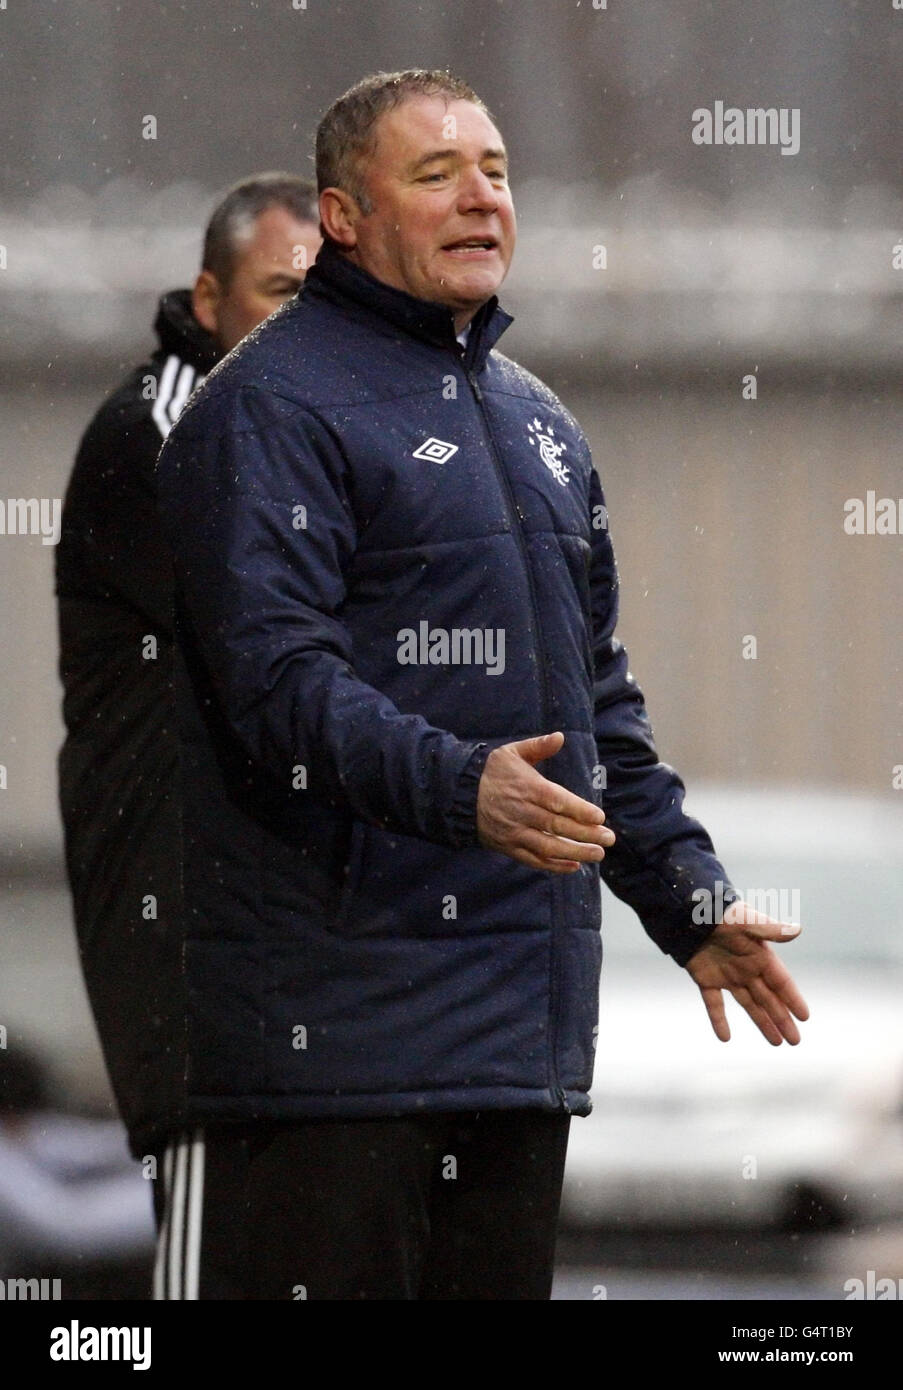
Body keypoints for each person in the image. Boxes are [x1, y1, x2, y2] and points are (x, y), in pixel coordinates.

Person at [153, 71, 809, 1301]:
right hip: (331, 1051)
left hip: (515, 1047)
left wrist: (686, 896)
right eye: (436, 173)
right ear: (344, 217)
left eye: (497, 171)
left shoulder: (537, 420)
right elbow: (277, 687)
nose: (481, 199)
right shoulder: (267, 411)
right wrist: (465, 791)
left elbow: (595, 702)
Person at [54, 174, 322, 1191]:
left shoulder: (316, 435)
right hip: (194, 945)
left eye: (326, 295)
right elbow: (281, 633)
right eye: (280, 294)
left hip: (297, 957)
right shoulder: (163, 434)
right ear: (208, 302)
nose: (304, 326)